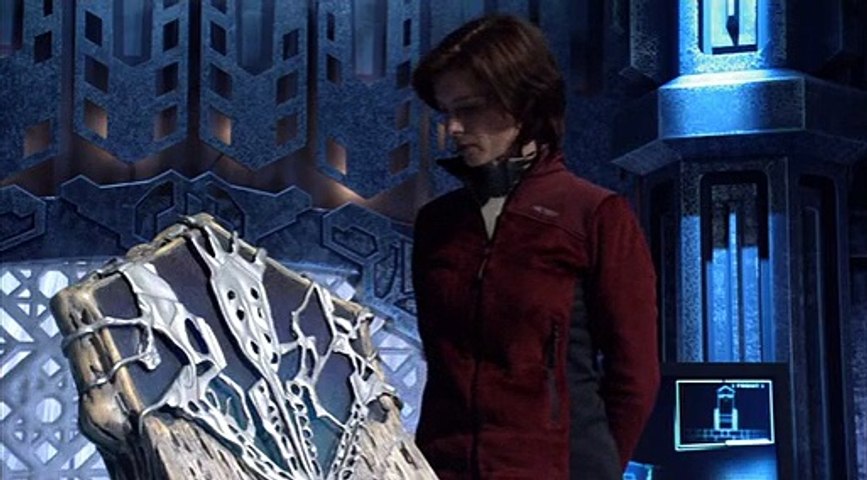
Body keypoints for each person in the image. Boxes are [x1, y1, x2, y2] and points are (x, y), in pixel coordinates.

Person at [410, 14, 660, 480]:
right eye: (446, 112)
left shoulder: (594, 215)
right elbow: (441, 365)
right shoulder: (438, 224)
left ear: (522, 103)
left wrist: (594, 470)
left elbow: (635, 376)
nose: (453, 128)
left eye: (469, 109)